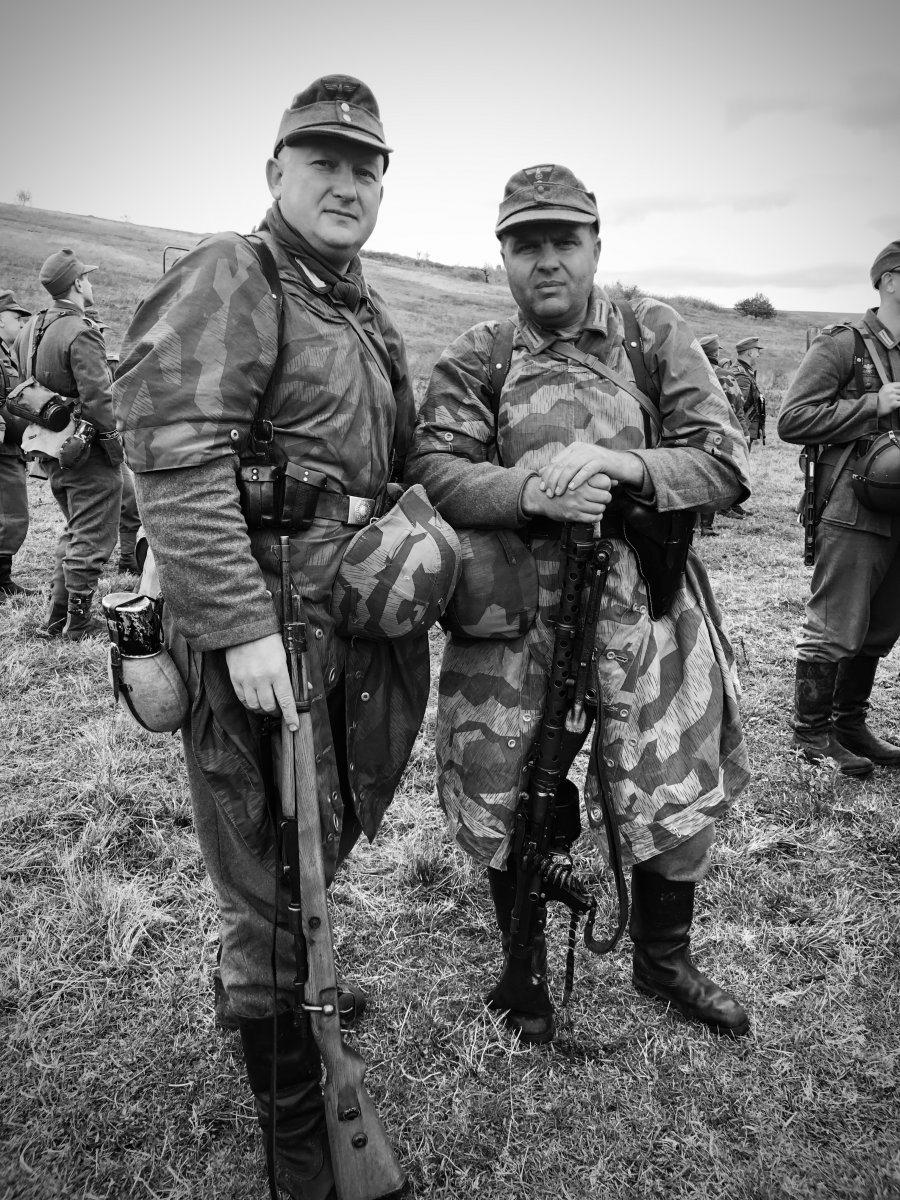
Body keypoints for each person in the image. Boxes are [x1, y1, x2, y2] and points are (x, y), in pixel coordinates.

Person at [114, 76, 451, 1199]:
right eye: (323, 164)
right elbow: (173, 456)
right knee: (267, 889)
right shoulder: (237, 273)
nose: (347, 185)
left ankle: (298, 995)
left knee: (317, 852)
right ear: (276, 172)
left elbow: (400, 467)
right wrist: (240, 627)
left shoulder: (361, 310)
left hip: (343, 640)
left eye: (365, 170)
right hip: (264, 647)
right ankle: (299, 1133)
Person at [406, 164, 753, 1046]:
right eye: (527, 245)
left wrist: (624, 466)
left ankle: (663, 961)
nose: (547, 260)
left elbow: (722, 460)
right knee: (505, 792)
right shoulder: (481, 353)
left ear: (596, 245)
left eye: (564, 240)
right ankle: (520, 970)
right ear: (503, 257)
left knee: (675, 785)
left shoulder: (651, 332)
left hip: (646, 608)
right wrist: (530, 493)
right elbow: (434, 469)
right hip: (514, 616)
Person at [777, 240, 900, 777]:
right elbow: (793, 419)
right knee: (835, 624)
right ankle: (811, 733)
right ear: (890, 280)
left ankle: (849, 724)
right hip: (852, 508)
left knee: (881, 624)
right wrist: (873, 404)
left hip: (898, 507)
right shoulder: (843, 344)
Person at [15, 251, 124, 638]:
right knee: (93, 535)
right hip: (85, 451)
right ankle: (77, 624)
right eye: (87, 278)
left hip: (49, 445)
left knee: (76, 530)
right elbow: (100, 399)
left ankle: (57, 617)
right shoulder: (80, 330)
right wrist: (114, 449)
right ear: (77, 283)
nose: (90, 284)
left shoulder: (32, 327)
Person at [0, 290, 36, 597]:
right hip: (2, 448)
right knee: (11, 515)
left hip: (11, 447)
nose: (22, 324)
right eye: (17, 318)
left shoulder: (7, 353)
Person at [698, 334, 748, 534]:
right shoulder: (725, 375)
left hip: (691, 429)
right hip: (719, 432)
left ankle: (692, 524)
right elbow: (737, 404)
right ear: (716, 353)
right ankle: (706, 526)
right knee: (714, 475)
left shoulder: (688, 371)